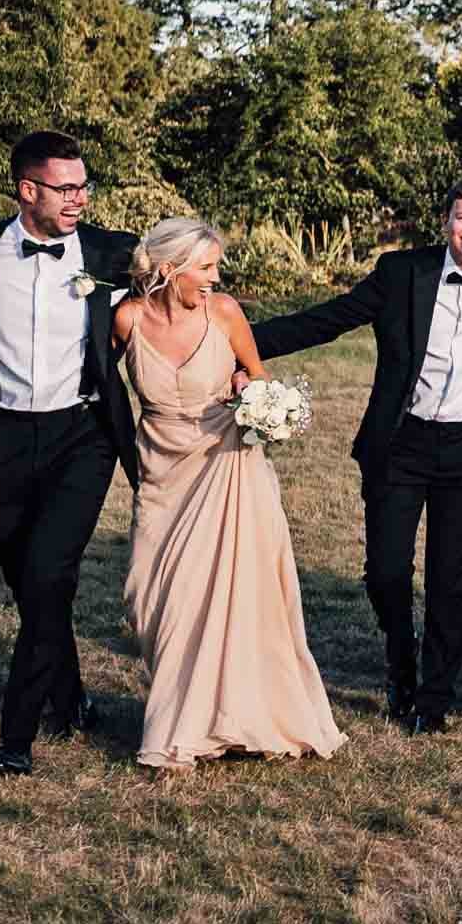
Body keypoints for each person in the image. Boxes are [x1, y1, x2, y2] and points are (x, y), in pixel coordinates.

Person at [247, 180, 462, 735]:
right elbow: (328, 319)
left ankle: (433, 699)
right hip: (401, 444)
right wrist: (237, 340)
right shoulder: (403, 273)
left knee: (449, 580)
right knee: (386, 573)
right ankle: (401, 662)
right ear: (446, 221)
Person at [115, 218, 345, 770]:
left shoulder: (223, 313)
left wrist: (252, 392)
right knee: (150, 595)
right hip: (162, 470)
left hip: (227, 464)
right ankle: (188, 703)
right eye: (206, 267)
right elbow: (97, 387)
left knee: (235, 594)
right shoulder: (126, 319)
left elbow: (256, 374)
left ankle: (207, 720)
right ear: (168, 270)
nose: (215, 278)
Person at [0, 131, 141, 777]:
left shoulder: (113, 251)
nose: (80, 198)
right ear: (27, 190)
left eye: (84, 186)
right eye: (66, 187)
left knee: (48, 573)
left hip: (82, 437)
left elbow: (180, 301)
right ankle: (71, 695)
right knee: (31, 583)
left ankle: (16, 739)